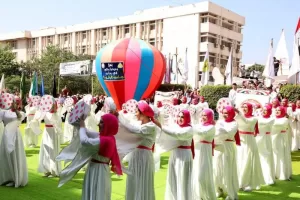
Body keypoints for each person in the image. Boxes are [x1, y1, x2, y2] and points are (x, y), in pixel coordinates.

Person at [118, 101, 159, 200]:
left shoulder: (151, 126)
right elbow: (129, 126)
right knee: (134, 180)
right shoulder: (139, 123)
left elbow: (134, 130)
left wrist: (118, 116)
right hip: (136, 155)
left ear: (143, 113)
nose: (135, 114)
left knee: (142, 181)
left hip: (144, 156)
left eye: (137, 111)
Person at [79, 114, 122, 200]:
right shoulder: (108, 137)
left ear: (108, 125)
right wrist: (81, 123)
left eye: (102, 122)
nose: (98, 124)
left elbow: (84, 141)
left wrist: (82, 125)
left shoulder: (106, 140)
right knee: (97, 192)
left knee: (97, 192)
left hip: (98, 170)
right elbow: (87, 133)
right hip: (97, 168)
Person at [162, 110, 194, 200]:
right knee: (173, 179)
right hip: (174, 154)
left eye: (182, 117)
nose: (180, 119)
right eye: (179, 116)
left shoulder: (189, 129)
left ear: (187, 118)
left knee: (182, 180)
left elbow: (177, 134)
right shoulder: (175, 126)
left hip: (184, 156)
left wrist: (160, 126)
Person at [235, 103, 265, 191]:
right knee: (239, 160)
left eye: (246, 107)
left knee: (247, 161)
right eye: (243, 107)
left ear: (250, 108)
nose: (244, 108)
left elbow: (246, 122)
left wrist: (239, 113)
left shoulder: (254, 118)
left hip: (249, 141)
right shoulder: (238, 117)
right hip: (240, 141)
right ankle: (238, 181)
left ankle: (247, 183)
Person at [0, 97, 27, 187]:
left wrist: (16, 110)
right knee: (6, 155)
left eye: (14, 102)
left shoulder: (21, 113)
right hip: (6, 134)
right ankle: (8, 178)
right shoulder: (4, 112)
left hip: (16, 135)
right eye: (11, 102)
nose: (12, 103)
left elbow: (20, 118)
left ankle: (17, 178)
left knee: (16, 154)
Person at [214, 106, 239, 200]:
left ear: (232, 113)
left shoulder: (234, 123)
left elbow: (228, 134)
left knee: (227, 169)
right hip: (218, 147)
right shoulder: (220, 122)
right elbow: (215, 134)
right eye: (223, 112)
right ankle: (218, 189)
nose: (224, 115)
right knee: (216, 168)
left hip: (228, 147)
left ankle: (230, 192)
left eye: (227, 113)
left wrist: (219, 129)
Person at [192, 109, 216, 200]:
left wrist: (191, 127)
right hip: (198, 150)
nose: (203, 117)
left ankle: (207, 196)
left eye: (205, 115)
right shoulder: (199, 125)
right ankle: (198, 195)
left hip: (205, 151)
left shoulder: (211, 127)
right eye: (202, 115)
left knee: (203, 174)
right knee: (196, 172)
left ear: (210, 117)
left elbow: (202, 133)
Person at [256, 105, 275, 185]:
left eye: (265, 110)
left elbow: (264, 123)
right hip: (258, 138)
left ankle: (268, 177)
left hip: (266, 139)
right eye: (263, 109)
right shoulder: (258, 118)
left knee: (266, 157)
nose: (263, 111)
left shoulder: (271, 119)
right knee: (258, 157)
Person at [272, 106, 292, 180]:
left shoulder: (285, 120)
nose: (277, 111)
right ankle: (273, 172)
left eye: (279, 110)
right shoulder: (273, 118)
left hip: (281, 138)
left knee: (281, 154)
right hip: (273, 138)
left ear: (283, 111)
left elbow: (277, 126)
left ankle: (281, 173)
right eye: (276, 110)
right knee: (274, 154)